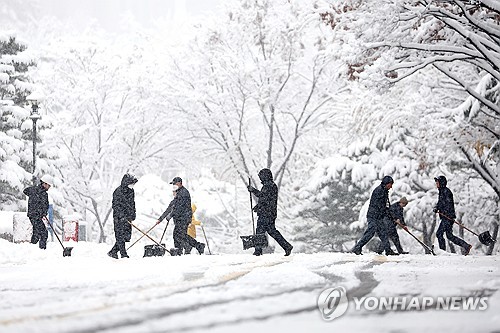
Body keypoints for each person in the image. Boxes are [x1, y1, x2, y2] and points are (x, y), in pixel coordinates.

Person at [247, 168, 293, 256]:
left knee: (260, 230)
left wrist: (253, 190)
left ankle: (258, 250)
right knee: (272, 231)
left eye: (261, 176)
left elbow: (263, 197)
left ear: (265, 176)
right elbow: (265, 199)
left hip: (266, 214)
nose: (260, 178)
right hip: (269, 213)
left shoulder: (269, 185)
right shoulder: (270, 185)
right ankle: (286, 246)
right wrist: (258, 206)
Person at [157, 177, 205, 256]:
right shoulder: (178, 193)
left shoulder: (183, 193)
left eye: (174, 183)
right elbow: (171, 207)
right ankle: (197, 246)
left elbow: (178, 208)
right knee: (181, 235)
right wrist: (161, 219)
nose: (173, 185)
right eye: (173, 184)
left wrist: (171, 215)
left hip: (184, 218)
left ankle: (179, 251)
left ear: (180, 183)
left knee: (177, 235)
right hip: (180, 219)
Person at [351, 176, 398, 256]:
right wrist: (387, 214)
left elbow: (387, 205)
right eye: (390, 184)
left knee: (383, 233)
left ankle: (388, 250)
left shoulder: (385, 191)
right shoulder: (379, 191)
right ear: (386, 183)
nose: (391, 187)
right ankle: (357, 248)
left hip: (378, 217)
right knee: (370, 233)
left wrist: (390, 215)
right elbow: (380, 206)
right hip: (373, 216)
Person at [434, 175, 472, 255]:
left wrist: (445, 213)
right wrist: (436, 208)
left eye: (437, 182)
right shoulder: (442, 191)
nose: (436, 184)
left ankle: (442, 251)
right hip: (447, 217)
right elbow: (440, 203)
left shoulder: (446, 192)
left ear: (441, 183)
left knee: (439, 233)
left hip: (447, 217)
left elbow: (448, 204)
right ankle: (466, 246)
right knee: (450, 236)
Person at [108, 173, 138, 259]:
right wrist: (121, 216)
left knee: (126, 236)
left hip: (128, 217)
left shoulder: (131, 191)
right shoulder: (118, 192)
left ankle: (113, 251)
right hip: (119, 218)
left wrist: (133, 214)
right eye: (131, 183)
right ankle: (123, 254)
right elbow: (116, 205)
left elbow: (132, 203)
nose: (132, 185)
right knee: (120, 235)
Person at [23, 175, 52, 249]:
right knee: (44, 233)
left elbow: (45, 205)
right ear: (44, 183)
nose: (49, 187)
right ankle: (42, 250)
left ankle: (31, 249)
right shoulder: (35, 190)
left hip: (37, 216)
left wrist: (44, 212)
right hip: (34, 216)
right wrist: (35, 205)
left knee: (36, 233)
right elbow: (25, 191)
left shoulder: (44, 193)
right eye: (48, 185)